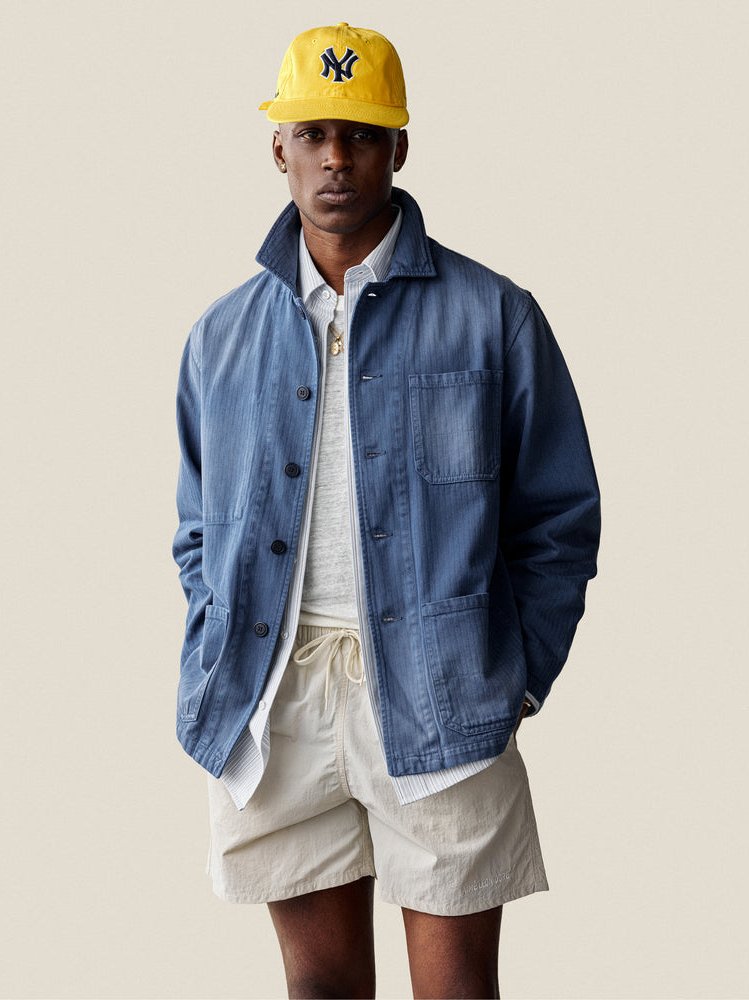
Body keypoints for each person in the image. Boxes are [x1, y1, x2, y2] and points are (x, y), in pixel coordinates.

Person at [173, 22, 600, 999]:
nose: (335, 157)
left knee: (454, 993)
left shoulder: (492, 316)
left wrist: (515, 677)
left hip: (444, 691)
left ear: (398, 148)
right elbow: (197, 528)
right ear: (275, 146)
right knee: (320, 988)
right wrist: (215, 633)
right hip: (274, 697)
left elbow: (556, 517)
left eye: (360, 135)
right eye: (314, 132)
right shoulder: (220, 338)